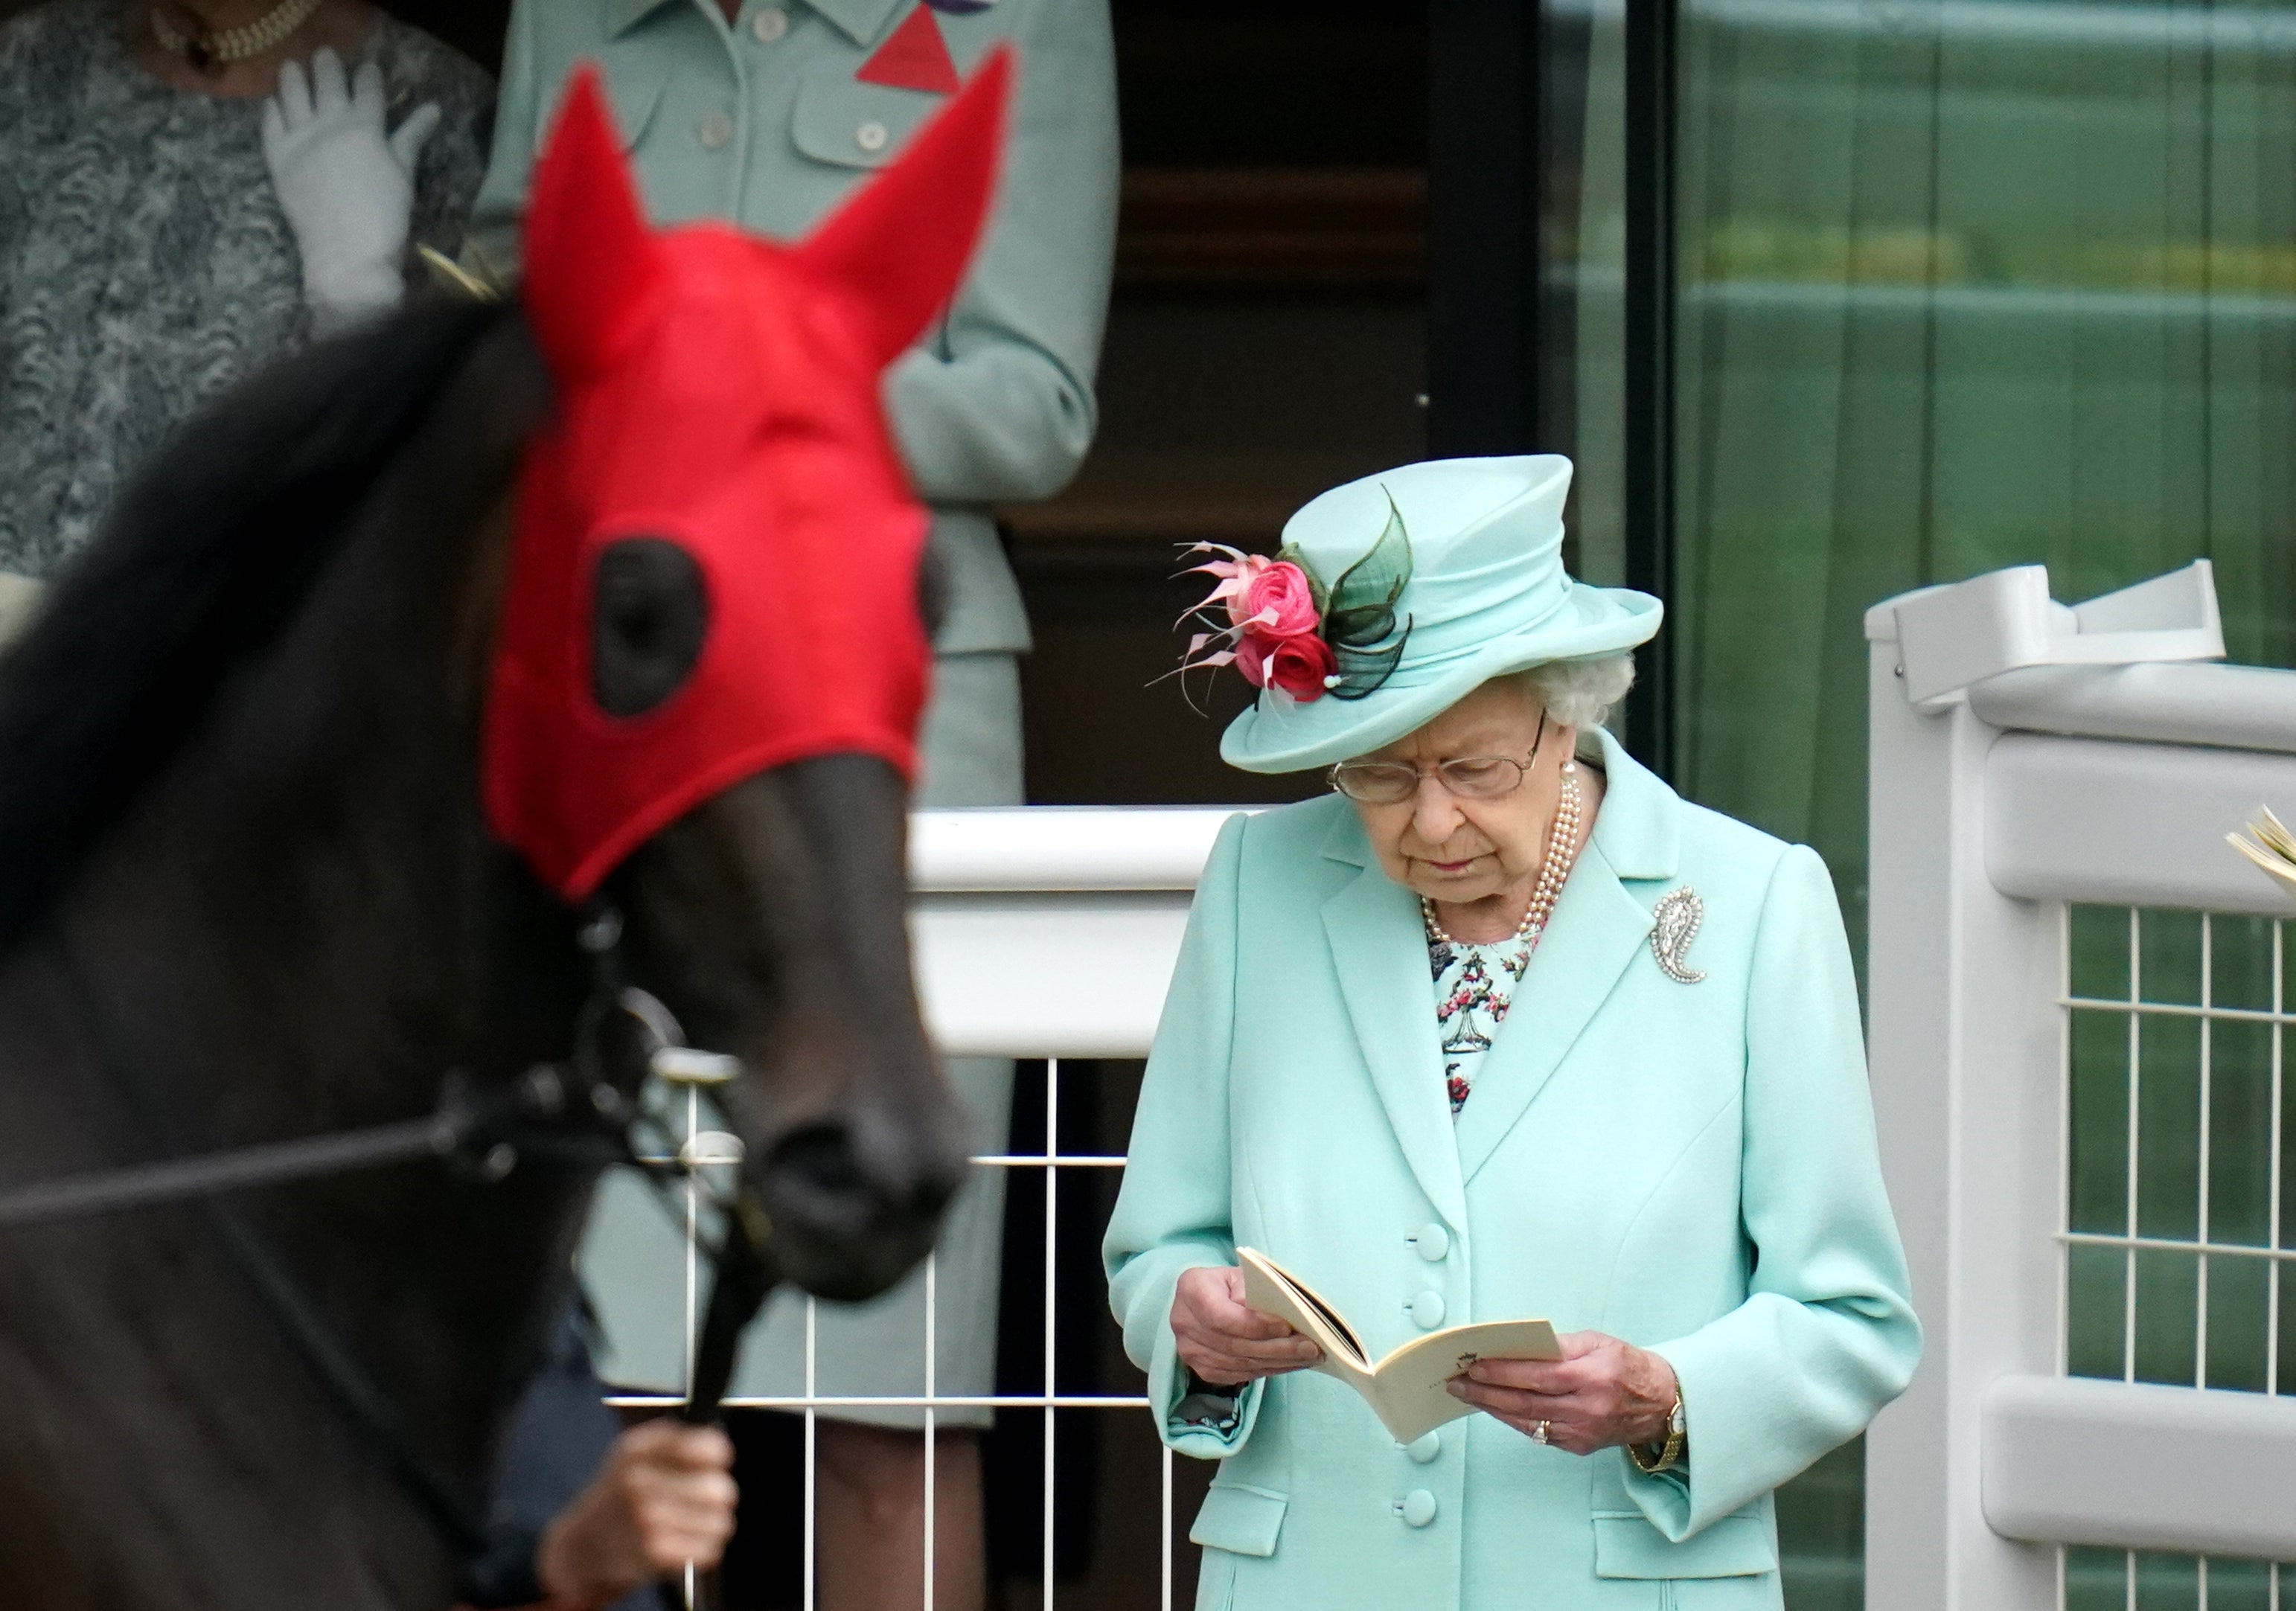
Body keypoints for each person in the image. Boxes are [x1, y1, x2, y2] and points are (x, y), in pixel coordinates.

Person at [462, 4, 1119, 1606]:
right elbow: (503, 288)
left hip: (876, 721)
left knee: (886, 1395)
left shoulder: (1019, 19)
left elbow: (1035, 404)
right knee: (572, 1379)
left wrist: (729, 389)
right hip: (618, 691)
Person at [1103, 456, 1922, 1609]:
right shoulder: (1258, 886)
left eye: (1475, 767)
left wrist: (1666, 1394)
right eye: (1380, 773)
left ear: (1569, 709)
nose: (1431, 820)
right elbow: (1159, 1243)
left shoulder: (1751, 902)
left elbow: (1852, 1317)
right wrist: (1192, 1328)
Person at [0, 0, 493, 579]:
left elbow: (452, 518)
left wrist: (358, 304)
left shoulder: (440, 108)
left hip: (215, 647)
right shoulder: (29, 63)